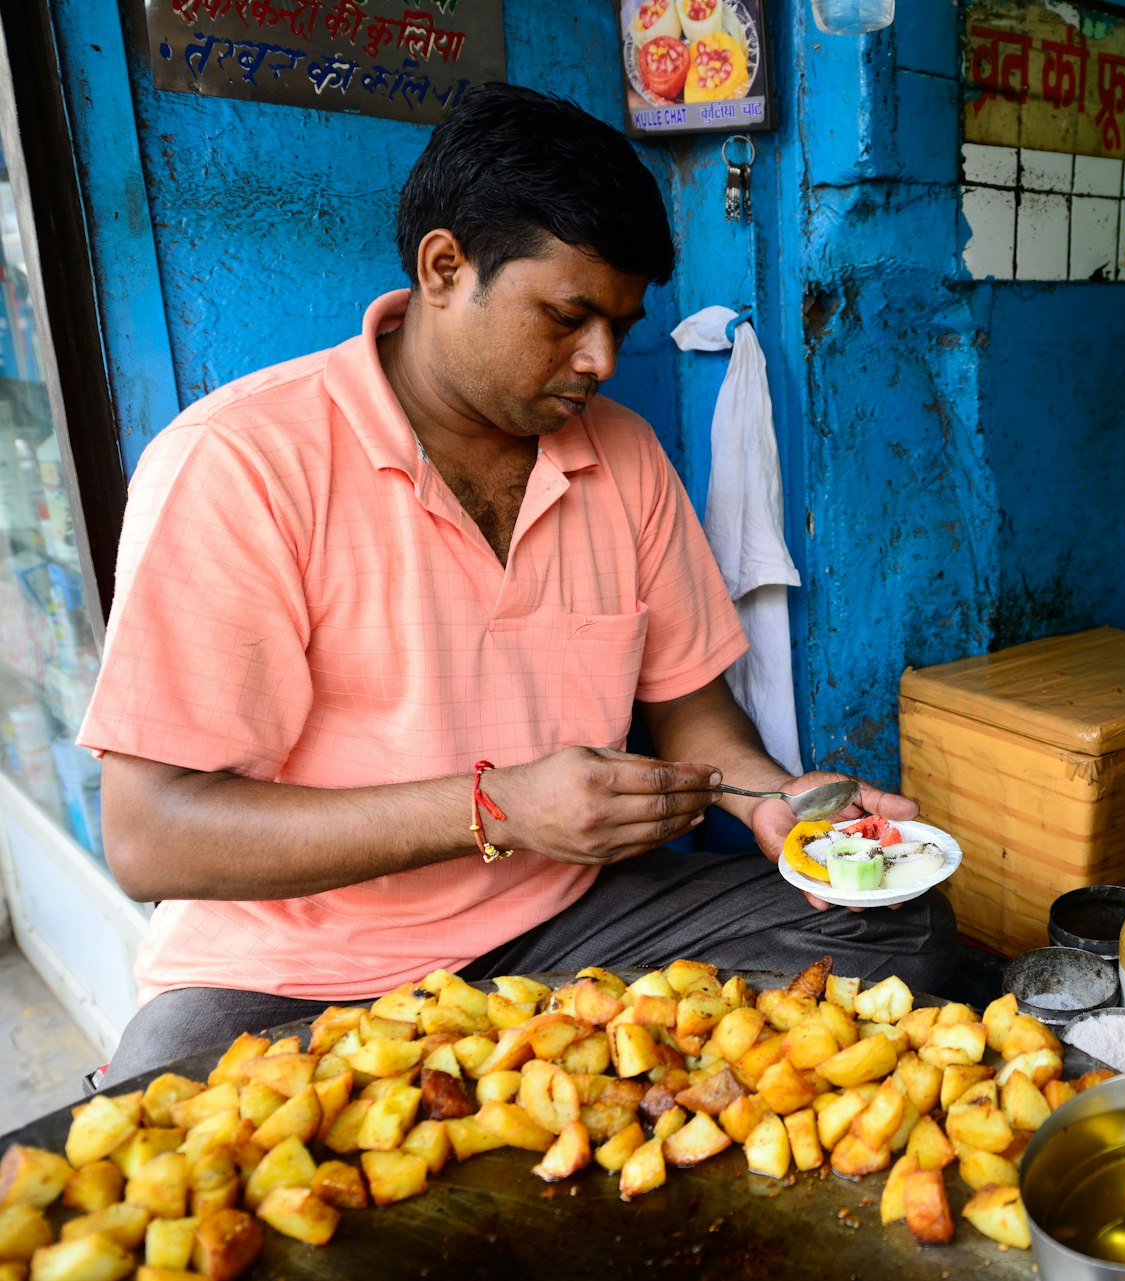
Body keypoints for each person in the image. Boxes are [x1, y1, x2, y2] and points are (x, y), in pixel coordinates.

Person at [79, 84, 956, 1084]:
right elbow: (150, 835)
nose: (602, 362)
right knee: (166, 1133)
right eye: (568, 317)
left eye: (621, 326)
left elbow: (697, 724)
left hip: (565, 926)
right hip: (294, 972)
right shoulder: (238, 464)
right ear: (445, 268)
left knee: (903, 932)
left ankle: (555, 1089)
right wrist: (494, 810)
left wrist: (781, 808)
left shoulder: (620, 457)